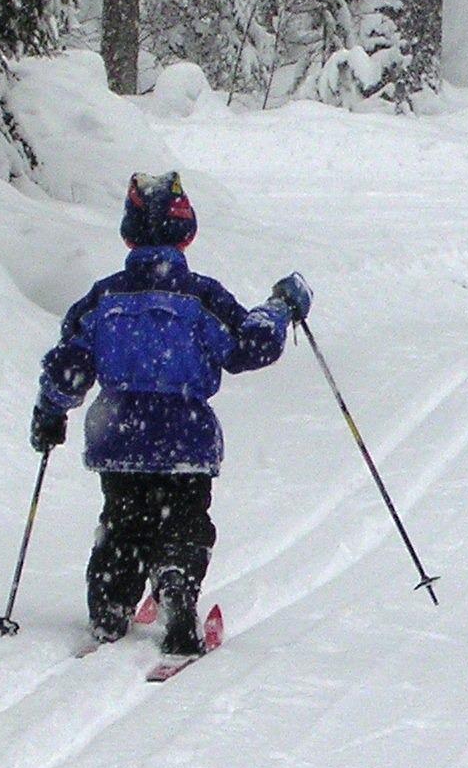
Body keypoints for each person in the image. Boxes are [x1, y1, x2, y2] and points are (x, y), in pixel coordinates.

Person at [30, 171, 313, 660]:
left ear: (129, 233)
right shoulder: (200, 297)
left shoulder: (103, 299)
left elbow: (69, 367)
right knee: (183, 519)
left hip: (119, 436)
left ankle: (111, 602)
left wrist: (49, 412)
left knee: (122, 522)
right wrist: (282, 308)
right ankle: (176, 582)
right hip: (185, 438)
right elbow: (251, 343)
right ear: (187, 232)